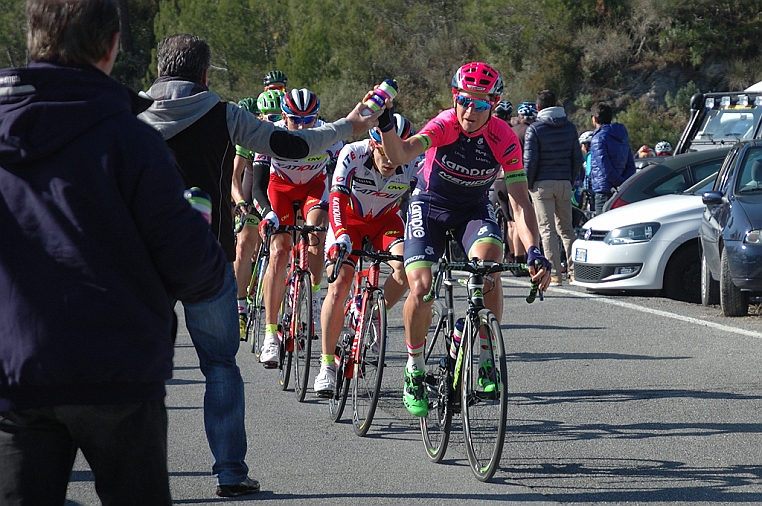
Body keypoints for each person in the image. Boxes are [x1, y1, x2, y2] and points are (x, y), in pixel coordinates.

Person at [0, 2, 228, 504]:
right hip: (118, 372)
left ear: (34, 38)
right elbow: (197, 272)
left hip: (17, 369)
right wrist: (199, 225)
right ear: (111, 48)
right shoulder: (132, 140)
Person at [138, 34, 380, 497]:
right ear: (206, 75)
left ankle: (140, 478)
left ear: (159, 69)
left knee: (139, 370)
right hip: (206, 255)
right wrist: (348, 125)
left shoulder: (132, 114)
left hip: (147, 257)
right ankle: (229, 471)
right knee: (220, 366)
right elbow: (291, 144)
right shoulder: (223, 113)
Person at [378, 62, 551, 417]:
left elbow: (519, 200)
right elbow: (400, 155)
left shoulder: (504, 137)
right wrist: (385, 120)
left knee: (490, 265)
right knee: (422, 286)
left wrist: (534, 249)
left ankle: (484, 350)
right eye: (464, 101)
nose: (471, 111)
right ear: (455, 99)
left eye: (481, 104)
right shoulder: (444, 124)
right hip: (430, 207)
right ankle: (413, 367)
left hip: (473, 207)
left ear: (494, 104)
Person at [313, 114, 419, 395]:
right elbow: (336, 198)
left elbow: (424, 202)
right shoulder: (352, 154)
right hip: (348, 220)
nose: (390, 160)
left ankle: (372, 311)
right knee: (339, 285)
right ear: (372, 144)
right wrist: (341, 236)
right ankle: (326, 366)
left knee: (407, 269)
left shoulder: (412, 161)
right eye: (383, 151)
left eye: (395, 152)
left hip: (386, 221)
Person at [257, 89, 344, 368]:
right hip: (280, 188)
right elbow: (258, 184)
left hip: (312, 188)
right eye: (296, 120)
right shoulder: (270, 133)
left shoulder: (329, 136)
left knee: (317, 232)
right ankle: (271, 335)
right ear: (284, 117)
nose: (304, 127)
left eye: (310, 120)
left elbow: (341, 178)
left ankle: (314, 295)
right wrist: (267, 213)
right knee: (280, 252)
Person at [232, 90, 285, 339]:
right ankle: (240, 307)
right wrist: (240, 201)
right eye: (268, 115)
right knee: (244, 244)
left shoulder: (285, 133)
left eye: (277, 115)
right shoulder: (250, 136)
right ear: (260, 115)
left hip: (278, 192)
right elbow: (234, 176)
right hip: (252, 191)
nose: (273, 120)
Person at [523, 90, 583, 286]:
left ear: (538, 107)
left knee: (547, 230)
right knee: (567, 229)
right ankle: (574, 272)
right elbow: (577, 158)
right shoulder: (570, 127)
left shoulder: (535, 129)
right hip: (564, 182)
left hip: (541, 185)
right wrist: (569, 179)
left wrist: (528, 184)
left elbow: (530, 161)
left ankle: (555, 274)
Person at [491, 103, 527, 269]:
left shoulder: (490, 127)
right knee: (517, 217)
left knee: (509, 222)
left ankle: (511, 256)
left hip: (496, 180)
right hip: (510, 177)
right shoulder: (511, 130)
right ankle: (520, 259)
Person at [589, 102, 636, 215]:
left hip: (604, 191)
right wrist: (624, 184)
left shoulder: (598, 139)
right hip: (622, 191)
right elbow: (630, 165)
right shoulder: (622, 137)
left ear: (594, 119)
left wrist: (618, 183)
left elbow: (605, 168)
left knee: (602, 228)